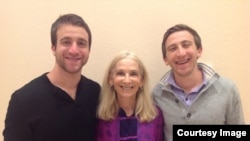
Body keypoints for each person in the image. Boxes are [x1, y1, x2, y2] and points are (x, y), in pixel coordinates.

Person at [3, 13, 101, 141]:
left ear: (89, 50)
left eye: (81, 43)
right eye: (66, 42)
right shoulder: (23, 100)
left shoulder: (95, 92)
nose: (74, 50)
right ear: (53, 48)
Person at [152, 24, 245, 141]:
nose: (181, 53)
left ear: (199, 51)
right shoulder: (156, 96)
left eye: (186, 45)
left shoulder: (227, 89)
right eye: (173, 48)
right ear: (165, 59)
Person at [96, 51, 164, 141]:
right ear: (110, 79)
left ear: (142, 81)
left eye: (133, 74)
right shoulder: (99, 117)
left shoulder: (155, 115)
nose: (127, 80)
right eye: (120, 73)